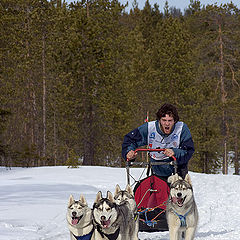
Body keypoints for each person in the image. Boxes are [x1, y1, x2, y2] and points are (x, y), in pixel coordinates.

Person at [122, 103, 194, 179]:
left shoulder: (181, 129)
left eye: (170, 120)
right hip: (157, 167)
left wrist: (175, 152)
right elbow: (130, 139)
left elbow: (188, 150)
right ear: (159, 120)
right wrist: (129, 152)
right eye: (164, 120)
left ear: (175, 121)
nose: (167, 124)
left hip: (178, 169)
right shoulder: (149, 128)